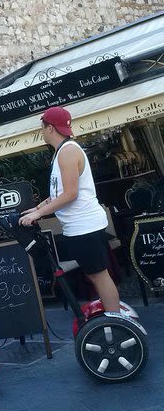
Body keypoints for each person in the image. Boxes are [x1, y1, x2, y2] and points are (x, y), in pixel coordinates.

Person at [19, 105, 120, 312]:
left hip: (85, 226)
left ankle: (117, 321)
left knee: (99, 276)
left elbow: (70, 194)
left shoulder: (68, 152)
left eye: (42, 126)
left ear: (50, 129)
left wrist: (39, 214)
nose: (41, 131)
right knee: (94, 275)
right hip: (79, 227)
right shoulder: (62, 152)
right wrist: (37, 207)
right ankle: (114, 318)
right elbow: (59, 192)